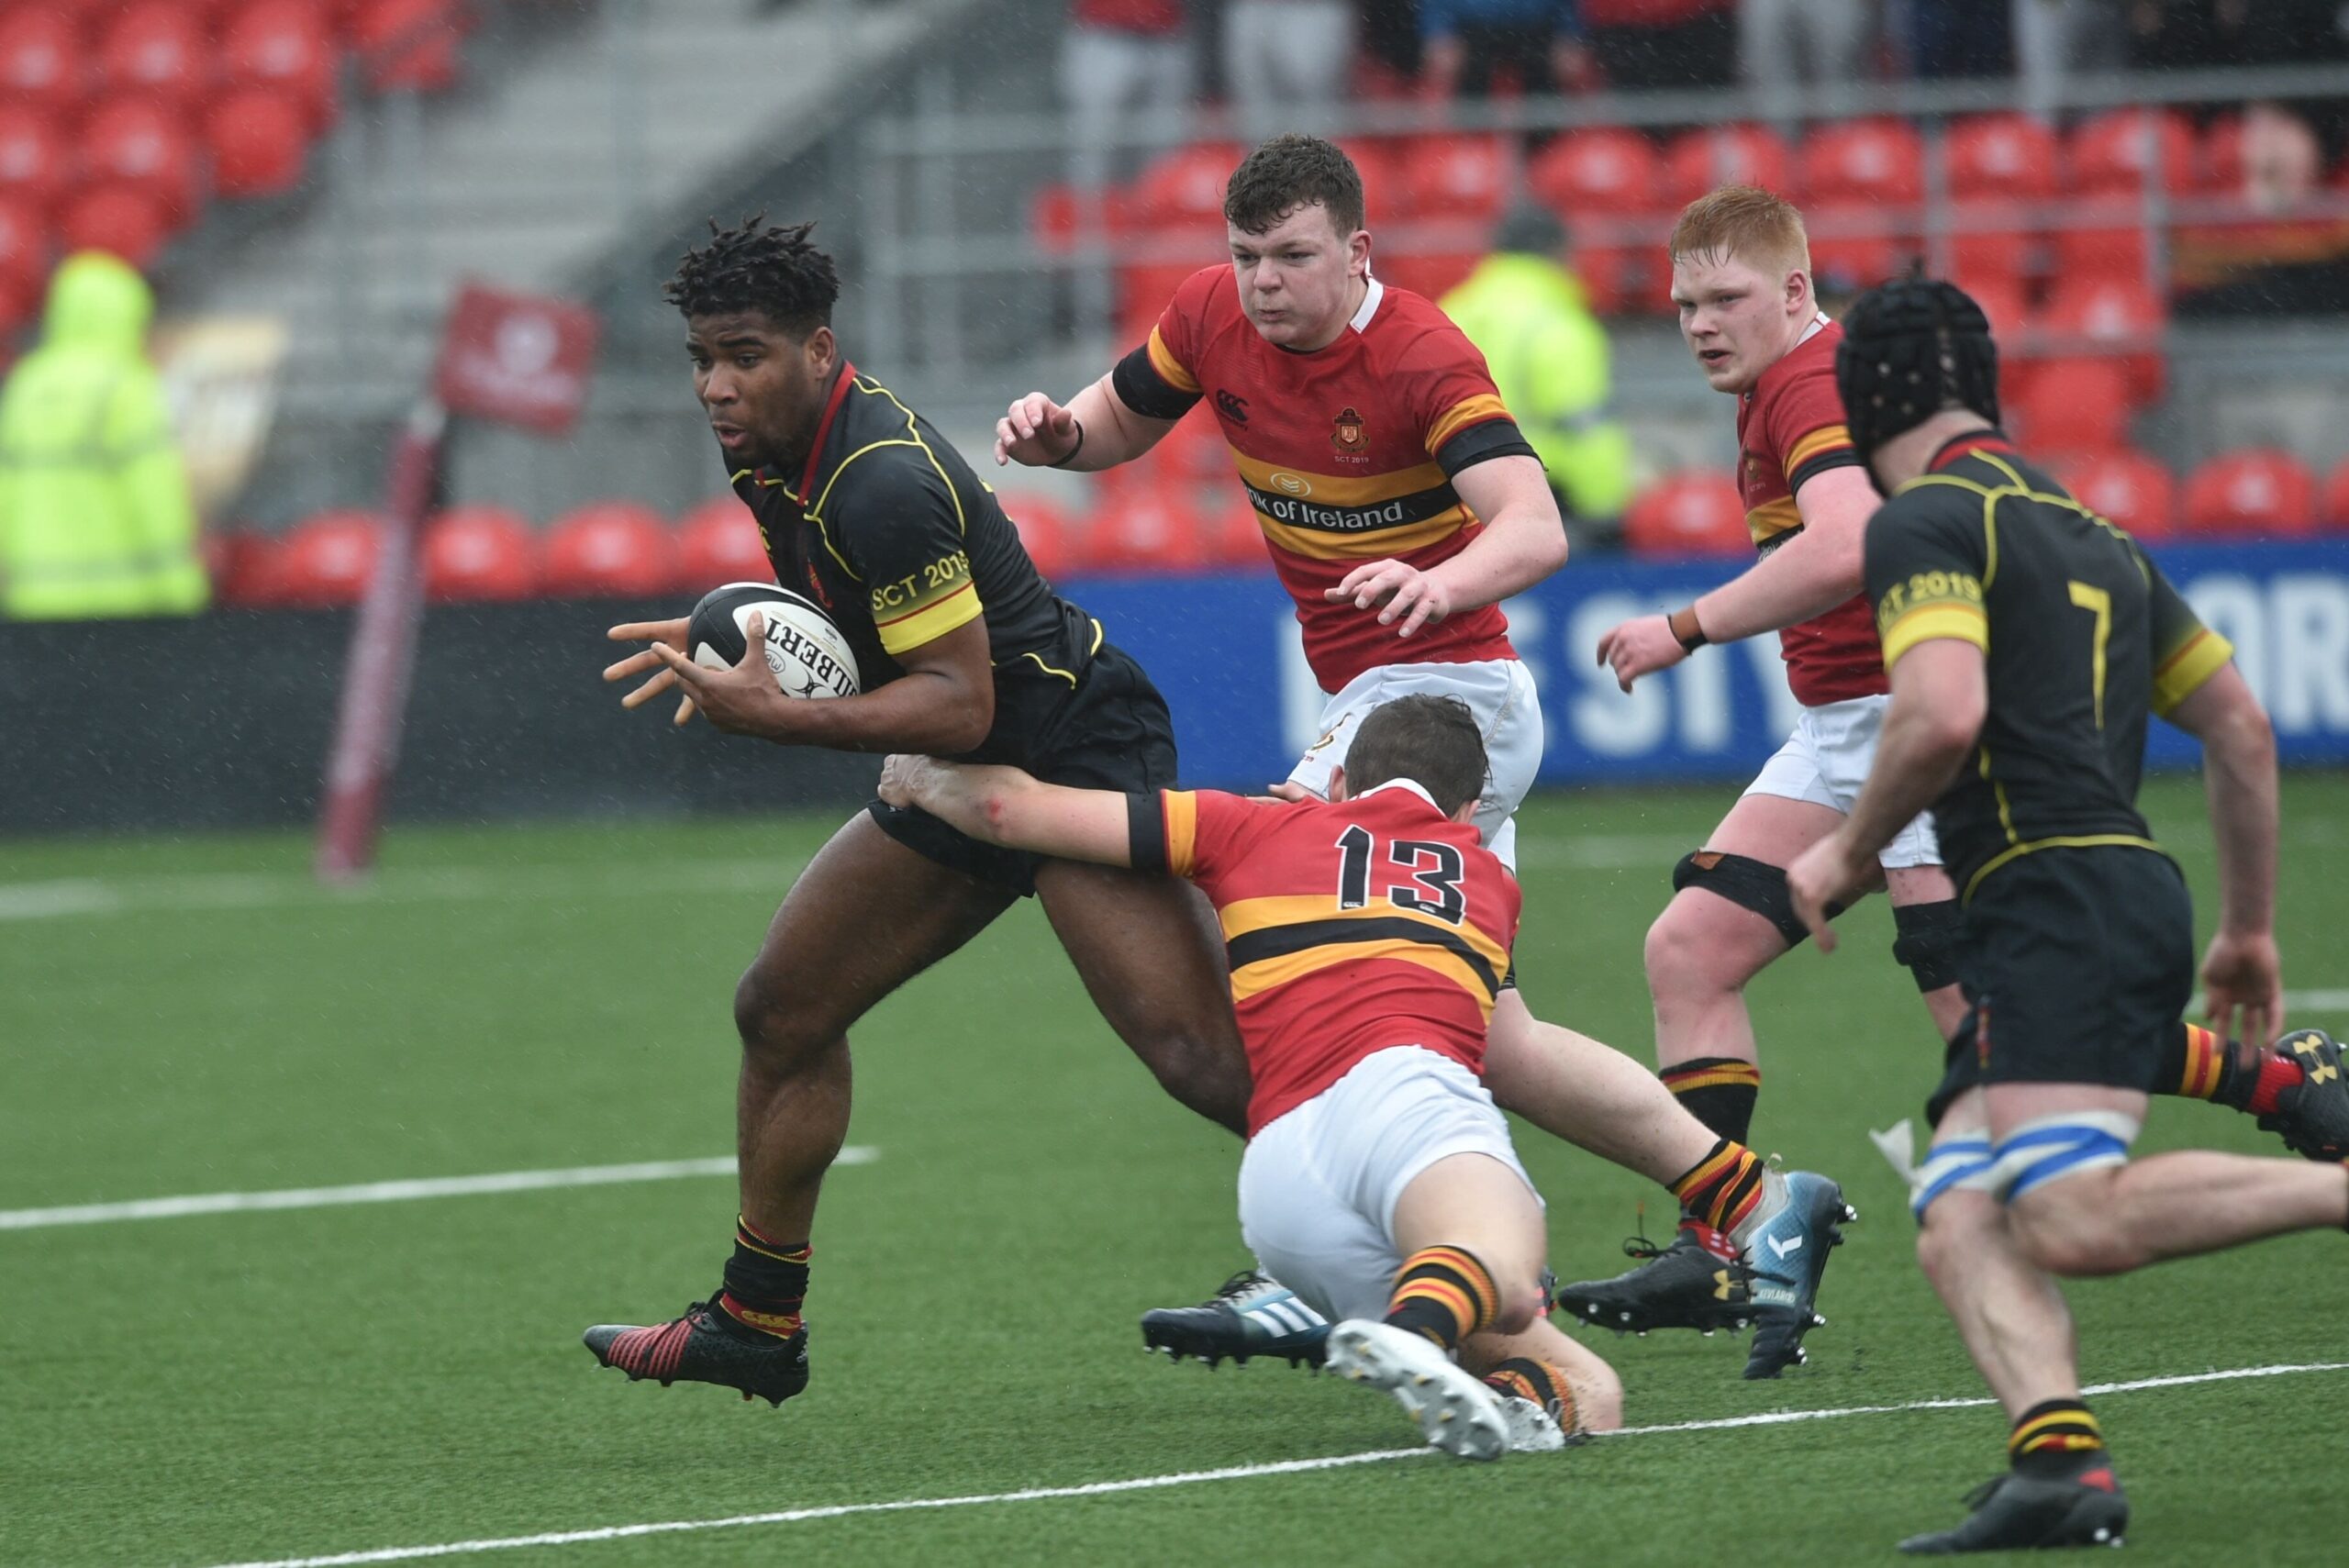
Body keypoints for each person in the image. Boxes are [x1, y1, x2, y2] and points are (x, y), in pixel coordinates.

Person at [996, 136, 1853, 1382]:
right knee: (1494, 1040)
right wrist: (1053, 432)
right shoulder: (1207, 317)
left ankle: (1312, 1262)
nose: (1264, 283)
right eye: (1246, 258)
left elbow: (1538, 525)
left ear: (1357, 252)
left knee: (1285, 889)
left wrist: (1433, 579)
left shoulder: (1417, 352)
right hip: (1392, 697)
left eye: (1293, 257)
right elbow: (1114, 422)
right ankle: (1754, 1198)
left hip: (1446, 697)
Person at [1564, 186, 2333, 1340]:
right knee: (1689, 947)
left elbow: (1841, 542)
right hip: (1835, 728)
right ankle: (1725, 1242)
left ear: (1792, 289)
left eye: (1725, 298)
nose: (1699, 323)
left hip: (1909, 716)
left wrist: (1687, 624)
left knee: (1990, 1031)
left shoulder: (1812, 383)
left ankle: (2279, 1081)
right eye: (1681, 304)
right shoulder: (1775, 383)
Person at [580, 217, 1253, 1407]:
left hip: (1066, 756)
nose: (715, 385)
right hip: (966, 760)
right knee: (783, 1007)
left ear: (819, 348)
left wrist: (773, 717)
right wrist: (749, 646)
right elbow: (873, 649)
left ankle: (1437, 1238)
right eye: (700, 357)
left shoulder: (877, 479)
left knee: (1198, 1054)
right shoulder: (771, 442)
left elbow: (955, 699)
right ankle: (755, 1316)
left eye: (742, 355)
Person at [1782, 276, 2349, 1553]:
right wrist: (2248, 928)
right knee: (1959, 1207)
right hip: (2108, 886)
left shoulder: (1924, 521)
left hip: (2052, 895)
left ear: (1867, 395)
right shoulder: (2093, 532)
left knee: (2067, 1214)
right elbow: (2241, 732)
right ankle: (2061, 1463)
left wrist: (1843, 853)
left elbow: (1939, 712)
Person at [880, 694, 1626, 1459]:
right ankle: (1414, 1331)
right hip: (1405, 1100)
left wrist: (922, 777)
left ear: (1337, 782)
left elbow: (1009, 808)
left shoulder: (1251, 824)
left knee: (1591, 1391)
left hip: (1281, 1182)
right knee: (1509, 1263)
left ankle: (1485, 1376)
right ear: (1470, 809)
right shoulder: (1491, 885)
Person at [0, 251, 206, 620]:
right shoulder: (125, 387)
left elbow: (7, 494)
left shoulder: (27, 384)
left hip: (35, 599)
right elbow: (153, 494)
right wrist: (180, 587)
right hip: (122, 602)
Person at [1438, 204, 1632, 549]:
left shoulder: (1448, 312)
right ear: (1558, 253)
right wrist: (1606, 514)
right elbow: (1584, 430)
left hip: (1452, 497)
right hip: (1542, 496)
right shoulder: (1559, 323)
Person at [1061, 1, 1196, 193]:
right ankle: (1093, 217)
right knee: (1095, 146)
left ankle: (1160, 213)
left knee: (1165, 148)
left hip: (1167, 36)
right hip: (1104, 36)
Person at [1223, 0, 1353, 139]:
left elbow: (1308, 82)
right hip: (1254, 7)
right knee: (1258, 114)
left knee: (1313, 109)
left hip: (1311, 10)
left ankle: (1311, 154)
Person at [1419, 0, 1592, 100]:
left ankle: (1541, 147)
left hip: (1536, 37)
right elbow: (1438, 11)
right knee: (1470, 96)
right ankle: (1475, 147)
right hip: (1474, 38)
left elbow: (1566, 11)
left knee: (1546, 97)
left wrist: (1570, 35)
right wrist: (1438, 32)